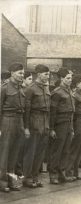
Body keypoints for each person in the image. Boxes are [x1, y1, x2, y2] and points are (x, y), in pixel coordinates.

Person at [23, 64, 50, 188]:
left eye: (48, 74)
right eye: (46, 74)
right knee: (31, 152)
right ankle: (27, 178)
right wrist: (27, 127)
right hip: (34, 120)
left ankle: (35, 177)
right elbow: (27, 110)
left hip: (44, 122)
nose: (47, 76)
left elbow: (48, 109)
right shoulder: (31, 89)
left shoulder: (45, 88)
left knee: (40, 152)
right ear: (38, 74)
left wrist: (48, 125)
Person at [0, 63, 26, 192]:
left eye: (22, 73)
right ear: (12, 73)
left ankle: (11, 181)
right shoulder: (4, 88)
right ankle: (2, 182)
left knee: (15, 153)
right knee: (4, 153)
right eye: (20, 73)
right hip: (8, 120)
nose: (22, 75)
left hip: (19, 121)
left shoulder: (21, 88)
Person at [49, 68, 75, 184]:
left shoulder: (69, 91)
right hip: (60, 124)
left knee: (66, 150)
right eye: (67, 78)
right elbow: (52, 112)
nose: (70, 80)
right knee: (57, 150)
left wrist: (72, 128)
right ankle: (53, 175)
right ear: (61, 78)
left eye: (71, 78)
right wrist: (52, 128)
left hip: (68, 123)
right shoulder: (57, 92)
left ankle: (62, 173)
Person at [66, 75, 81, 180]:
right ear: (77, 85)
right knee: (74, 149)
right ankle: (69, 171)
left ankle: (77, 171)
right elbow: (72, 113)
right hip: (78, 122)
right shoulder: (74, 96)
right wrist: (72, 127)